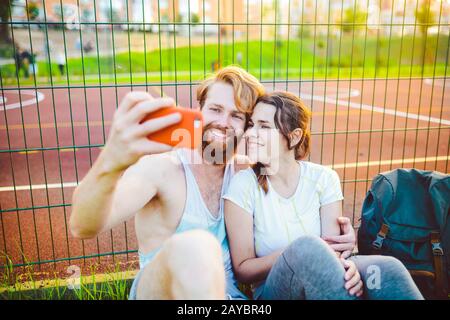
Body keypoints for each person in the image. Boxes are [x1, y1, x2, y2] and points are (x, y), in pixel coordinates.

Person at [69, 66, 357, 300]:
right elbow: (82, 226)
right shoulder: (162, 169)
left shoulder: (246, 175)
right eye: (216, 109)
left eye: (237, 116)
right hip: (163, 294)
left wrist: (339, 246)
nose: (223, 122)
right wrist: (112, 160)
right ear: (199, 110)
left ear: (247, 126)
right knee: (197, 248)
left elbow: (297, 201)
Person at [223, 91, 424, 300]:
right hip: (274, 290)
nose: (250, 133)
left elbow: (334, 249)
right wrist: (298, 254)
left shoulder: (324, 178)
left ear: (294, 136)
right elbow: (243, 269)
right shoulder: (243, 184)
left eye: (264, 126)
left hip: (327, 273)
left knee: (386, 269)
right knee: (308, 249)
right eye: (251, 124)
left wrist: (345, 264)